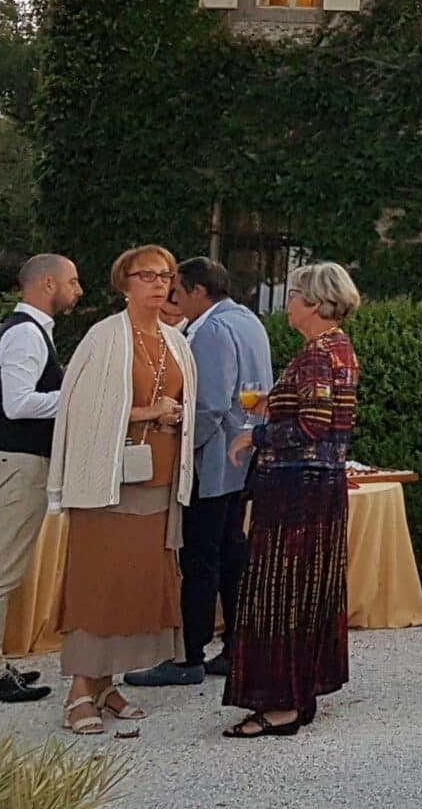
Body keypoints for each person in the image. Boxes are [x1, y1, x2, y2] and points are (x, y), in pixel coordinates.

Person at [49, 245, 200, 736]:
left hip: (158, 481)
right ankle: (79, 690)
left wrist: (171, 414)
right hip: (107, 483)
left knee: (135, 586)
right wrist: (147, 413)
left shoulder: (176, 341)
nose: (159, 284)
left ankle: (107, 685)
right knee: (98, 584)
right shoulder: (104, 338)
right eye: (147, 275)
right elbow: (80, 410)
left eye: (166, 275)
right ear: (125, 282)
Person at [220, 261, 362, 739]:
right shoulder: (334, 348)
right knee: (306, 592)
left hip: (296, 489)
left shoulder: (318, 355)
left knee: (279, 593)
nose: (289, 303)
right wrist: (273, 404)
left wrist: (254, 436)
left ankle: (280, 703)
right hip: (318, 487)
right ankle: (300, 690)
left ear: (315, 304)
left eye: (295, 294)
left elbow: (312, 425)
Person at [129, 257, 273, 686]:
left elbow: (209, 404)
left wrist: (179, 447)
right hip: (242, 456)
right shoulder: (249, 320)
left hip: (212, 462)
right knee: (231, 551)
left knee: (199, 558)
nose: (174, 300)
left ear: (195, 291)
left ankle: (188, 655)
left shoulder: (211, 330)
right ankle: (238, 644)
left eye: (177, 291)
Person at [0, 252, 80, 705]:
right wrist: (73, 395)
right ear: (47, 284)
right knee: (0, 571)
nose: (79, 290)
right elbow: (17, 403)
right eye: (72, 282)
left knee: (3, 568)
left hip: (17, 462)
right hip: (18, 463)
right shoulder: (25, 335)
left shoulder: (28, 333)